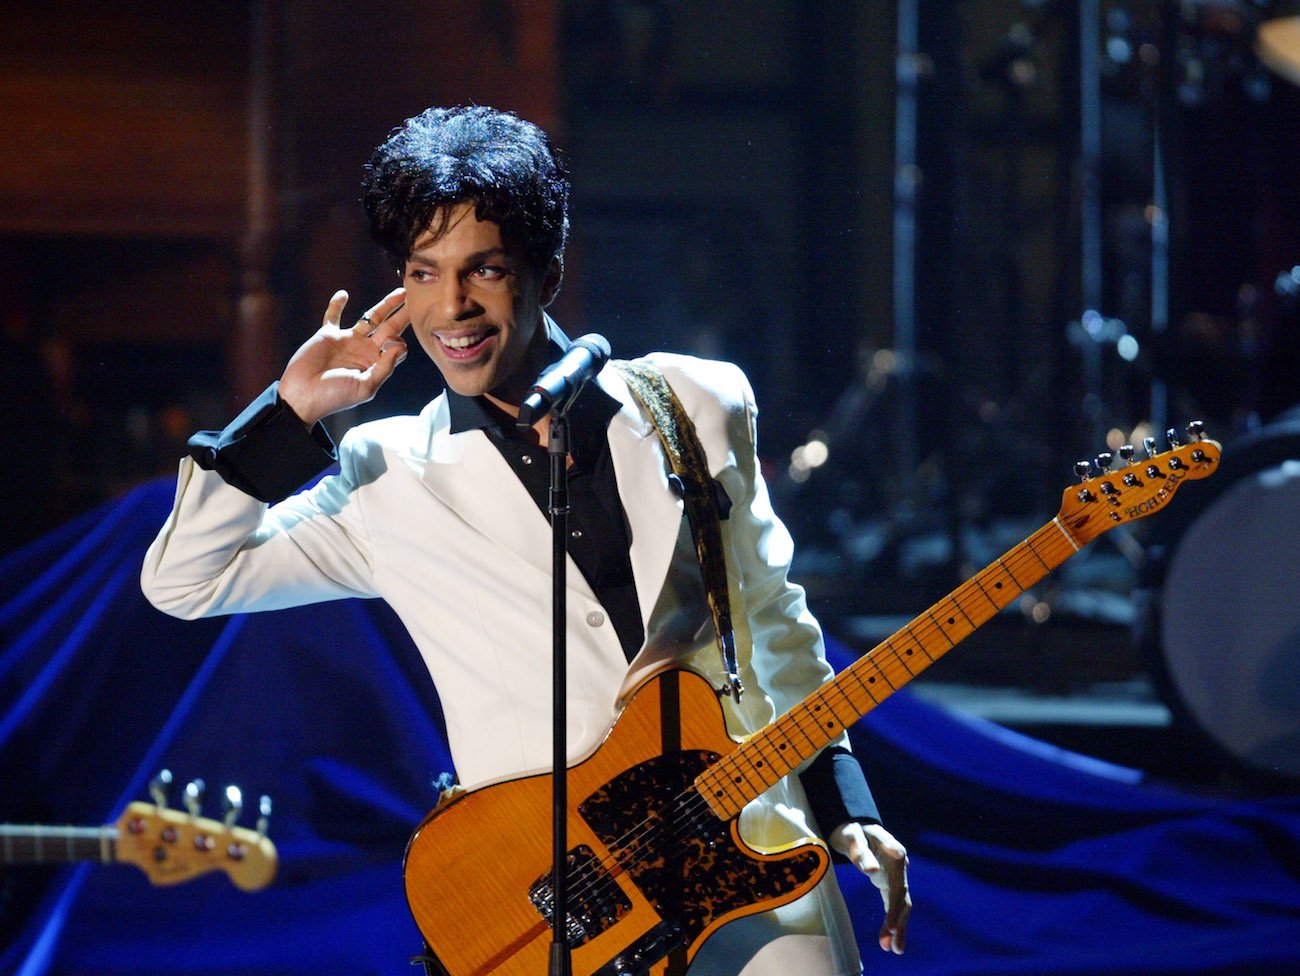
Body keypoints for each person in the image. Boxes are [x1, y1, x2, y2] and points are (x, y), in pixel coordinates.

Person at [141, 105, 910, 976]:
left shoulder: (697, 404)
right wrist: (288, 417)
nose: (452, 307)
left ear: (546, 271)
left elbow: (772, 622)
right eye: (423, 274)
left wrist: (846, 803)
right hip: (559, 904)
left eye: (485, 269)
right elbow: (183, 580)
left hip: (745, 861)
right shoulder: (387, 474)